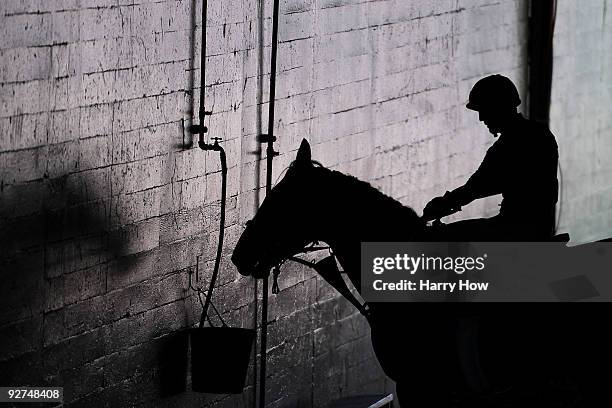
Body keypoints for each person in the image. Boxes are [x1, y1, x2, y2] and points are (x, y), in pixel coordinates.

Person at [423, 74, 559, 241]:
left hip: (515, 232)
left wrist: (443, 204)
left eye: (484, 110)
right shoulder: (540, 133)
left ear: (498, 107)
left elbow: (475, 188)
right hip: (540, 229)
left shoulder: (509, 145)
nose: (481, 118)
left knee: (438, 238)